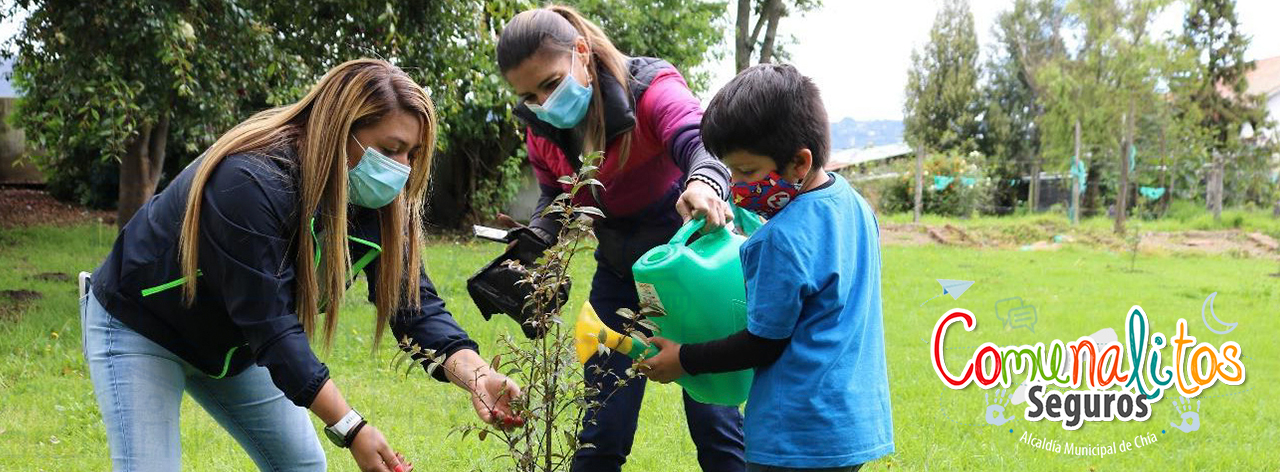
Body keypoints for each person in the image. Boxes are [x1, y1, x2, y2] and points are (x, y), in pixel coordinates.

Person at [82, 59, 521, 472]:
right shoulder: (249, 181)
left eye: (412, 154)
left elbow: (414, 307)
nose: (402, 169)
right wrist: (351, 427)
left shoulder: (376, 203)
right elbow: (271, 324)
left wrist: (477, 375)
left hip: (236, 345)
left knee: (303, 466)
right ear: (339, 132)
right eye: (392, 149)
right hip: (142, 327)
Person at [490, 6, 744, 472]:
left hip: (692, 271)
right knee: (599, 429)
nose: (543, 103)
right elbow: (558, 198)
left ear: (581, 53)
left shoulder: (650, 89)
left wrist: (705, 181)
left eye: (550, 83)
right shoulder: (542, 130)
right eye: (529, 95)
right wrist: (532, 243)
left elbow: (701, 141)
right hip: (618, 274)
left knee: (716, 427)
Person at [640, 64, 895, 472]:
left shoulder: (779, 241)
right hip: (852, 422)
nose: (737, 186)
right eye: (730, 171)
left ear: (798, 162)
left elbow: (762, 342)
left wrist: (683, 358)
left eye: (747, 171)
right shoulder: (855, 206)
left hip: (795, 434)